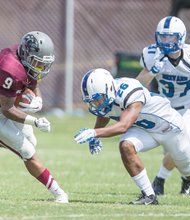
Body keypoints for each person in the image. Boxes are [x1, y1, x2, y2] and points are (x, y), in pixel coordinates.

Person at [74, 68, 190, 205]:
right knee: (126, 145)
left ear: (109, 89)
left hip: (170, 127)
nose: (97, 105)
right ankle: (149, 196)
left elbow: (124, 125)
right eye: (93, 102)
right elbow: (104, 114)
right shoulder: (108, 96)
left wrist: (94, 133)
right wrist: (96, 136)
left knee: (187, 169)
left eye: (99, 100)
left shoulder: (129, 91)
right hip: (144, 129)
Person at [0, 31, 68, 203]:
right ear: (25, 55)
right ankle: (59, 193)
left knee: (32, 141)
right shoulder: (10, 68)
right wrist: (35, 120)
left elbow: (33, 81)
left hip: (5, 106)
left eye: (42, 64)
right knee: (27, 151)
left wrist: (38, 99)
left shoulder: (23, 58)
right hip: (3, 108)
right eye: (37, 63)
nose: (40, 68)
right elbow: (7, 109)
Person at [136, 16, 190, 195]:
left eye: (171, 37)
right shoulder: (152, 55)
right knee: (174, 150)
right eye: (163, 37)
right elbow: (137, 84)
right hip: (165, 108)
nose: (166, 42)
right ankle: (185, 178)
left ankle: (159, 180)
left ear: (181, 37)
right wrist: (152, 72)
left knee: (179, 144)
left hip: (187, 106)